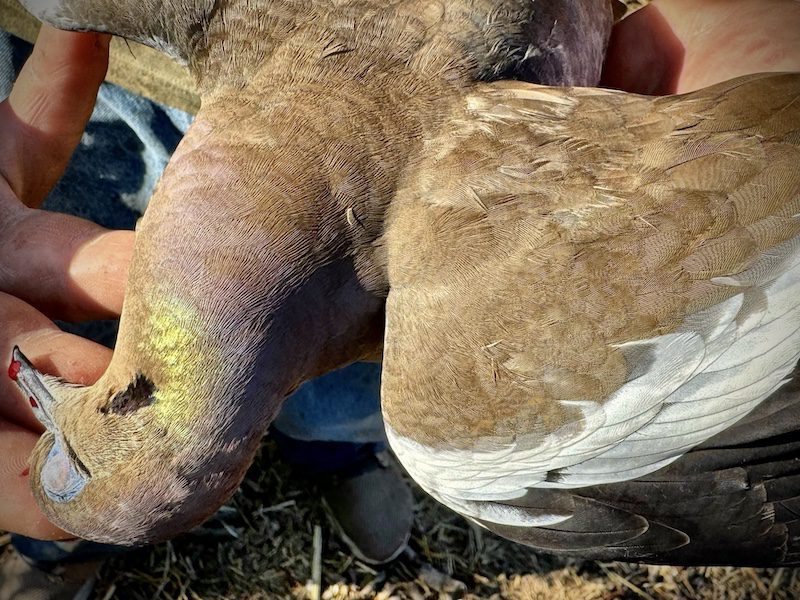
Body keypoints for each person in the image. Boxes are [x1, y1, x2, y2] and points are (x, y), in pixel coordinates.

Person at [1, 0, 799, 597]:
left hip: (97, 62)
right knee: (403, 386)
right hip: (117, 81)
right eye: (59, 431)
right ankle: (332, 451)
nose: (35, 386)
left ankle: (339, 449)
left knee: (430, 412)